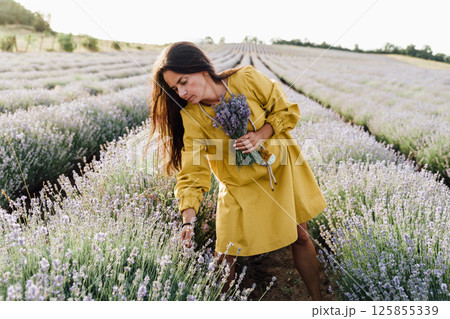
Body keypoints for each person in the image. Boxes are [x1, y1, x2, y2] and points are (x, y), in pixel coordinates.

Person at [149, 41, 327, 300]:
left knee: (300, 236)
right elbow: (192, 170)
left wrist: (260, 135)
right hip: (237, 186)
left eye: (184, 82)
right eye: (175, 88)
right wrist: (188, 218)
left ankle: (318, 302)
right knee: (224, 253)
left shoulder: (246, 79)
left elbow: (286, 110)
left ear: (201, 69)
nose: (182, 92)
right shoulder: (191, 116)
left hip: (280, 171)